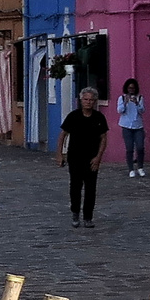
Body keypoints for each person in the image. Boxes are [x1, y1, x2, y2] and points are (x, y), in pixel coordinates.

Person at [57, 87, 110, 228]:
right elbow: (63, 135)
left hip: (92, 158)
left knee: (91, 188)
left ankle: (88, 217)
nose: (88, 102)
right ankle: (75, 212)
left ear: (95, 101)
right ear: (81, 100)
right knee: (75, 186)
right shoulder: (73, 116)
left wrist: (98, 157)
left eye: (91, 100)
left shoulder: (99, 118)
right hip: (75, 157)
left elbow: (103, 138)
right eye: (86, 99)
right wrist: (60, 154)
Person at [116, 78, 146, 177]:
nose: (131, 90)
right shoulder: (121, 97)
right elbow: (120, 110)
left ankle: (140, 167)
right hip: (126, 125)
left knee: (140, 147)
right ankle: (131, 169)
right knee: (129, 148)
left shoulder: (140, 97)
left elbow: (142, 111)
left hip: (138, 125)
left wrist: (136, 103)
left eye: (133, 88)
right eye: (129, 88)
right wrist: (125, 102)